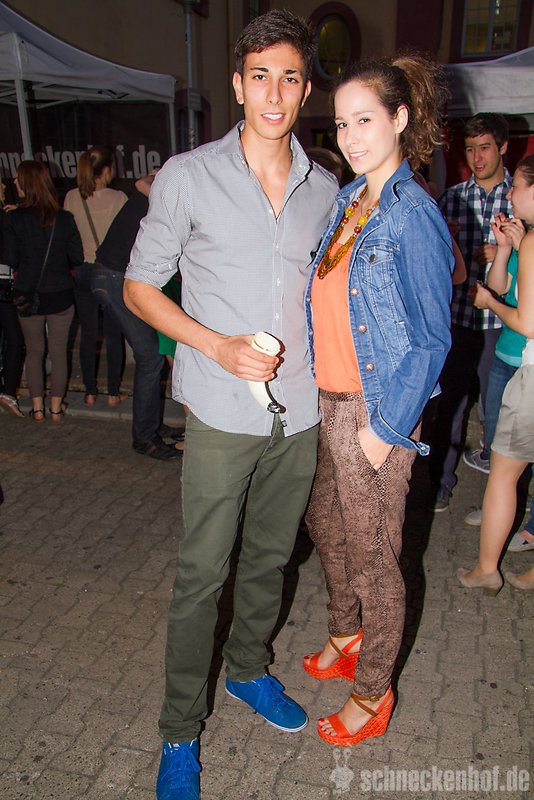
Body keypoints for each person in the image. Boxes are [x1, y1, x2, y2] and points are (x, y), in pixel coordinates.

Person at [123, 10, 338, 799]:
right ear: (239, 85)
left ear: (305, 90)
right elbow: (139, 287)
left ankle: (247, 669)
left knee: (272, 559)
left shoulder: (326, 189)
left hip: (301, 411)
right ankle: (180, 730)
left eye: (290, 78)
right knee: (201, 573)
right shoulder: (188, 176)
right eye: (260, 76)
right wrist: (214, 346)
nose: (274, 93)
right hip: (220, 409)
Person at [302, 55, 453, 747]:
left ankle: (373, 693)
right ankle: (346, 633)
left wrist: (384, 429)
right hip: (332, 397)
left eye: (365, 119)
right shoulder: (349, 199)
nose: (351, 136)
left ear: (399, 118)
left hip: (375, 408)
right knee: (323, 523)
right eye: (342, 124)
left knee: (373, 558)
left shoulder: (412, 213)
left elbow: (431, 339)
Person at [457, 154, 534, 594]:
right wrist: (507, 248)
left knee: (504, 472)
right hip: (514, 361)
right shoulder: (527, 240)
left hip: (530, 368)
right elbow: (505, 283)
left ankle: (487, 569)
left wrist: (489, 304)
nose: (510, 194)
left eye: (517, 186)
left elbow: (526, 322)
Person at [429, 113, 512, 511]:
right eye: (470, 149)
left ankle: (499, 498)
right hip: (459, 319)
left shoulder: (521, 196)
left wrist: (508, 250)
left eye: (485, 148)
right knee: (451, 406)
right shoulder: (452, 198)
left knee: (500, 414)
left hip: (504, 324)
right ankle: (440, 485)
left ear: (503, 147)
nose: (477, 158)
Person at [91, 173, 180, 461]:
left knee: (152, 354)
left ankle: (150, 425)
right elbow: (143, 182)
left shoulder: (165, 189)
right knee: (151, 356)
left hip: (114, 275)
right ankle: (144, 438)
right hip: (114, 277)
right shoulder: (167, 190)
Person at [4, 161, 83, 419]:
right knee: (59, 352)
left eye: (18, 179)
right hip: (60, 293)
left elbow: (11, 258)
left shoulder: (15, 218)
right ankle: (56, 408)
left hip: (28, 294)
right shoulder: (65, 219)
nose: (14, 183)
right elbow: (77, 257)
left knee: (34, 351)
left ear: (26, 184)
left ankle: (37, 408)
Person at [64, 146, 127, 406]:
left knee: (88, 333)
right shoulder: (119, 198)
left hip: (83, 271)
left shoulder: (71, 198)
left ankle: (90, 392)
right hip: (110, 272)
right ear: (107, 170)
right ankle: (113, 393)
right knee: (113, 335)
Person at [0, 178, 25, 417]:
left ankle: (6, 391)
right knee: (15, 338)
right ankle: (7, 392)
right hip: (3, 282)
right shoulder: (7, 217)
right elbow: (10, 256)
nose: (4, 187)